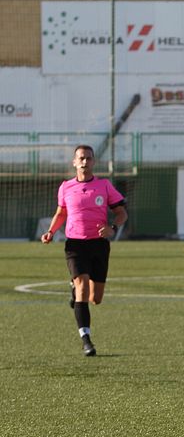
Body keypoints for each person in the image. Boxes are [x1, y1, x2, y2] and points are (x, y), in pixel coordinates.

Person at [41, 145, 127, 357]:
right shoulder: (65, 187)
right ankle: (86, 339)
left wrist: (112, 228)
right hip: (75, 244)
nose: (84, 162)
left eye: (88, 158)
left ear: (93, 162)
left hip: (99, 245)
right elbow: (61, 213)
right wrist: (50, 232)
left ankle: (74, 286)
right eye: (81, 158)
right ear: (74, 162)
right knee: (82, 288)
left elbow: (121, 213)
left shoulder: (104, 186)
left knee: (95, 298)